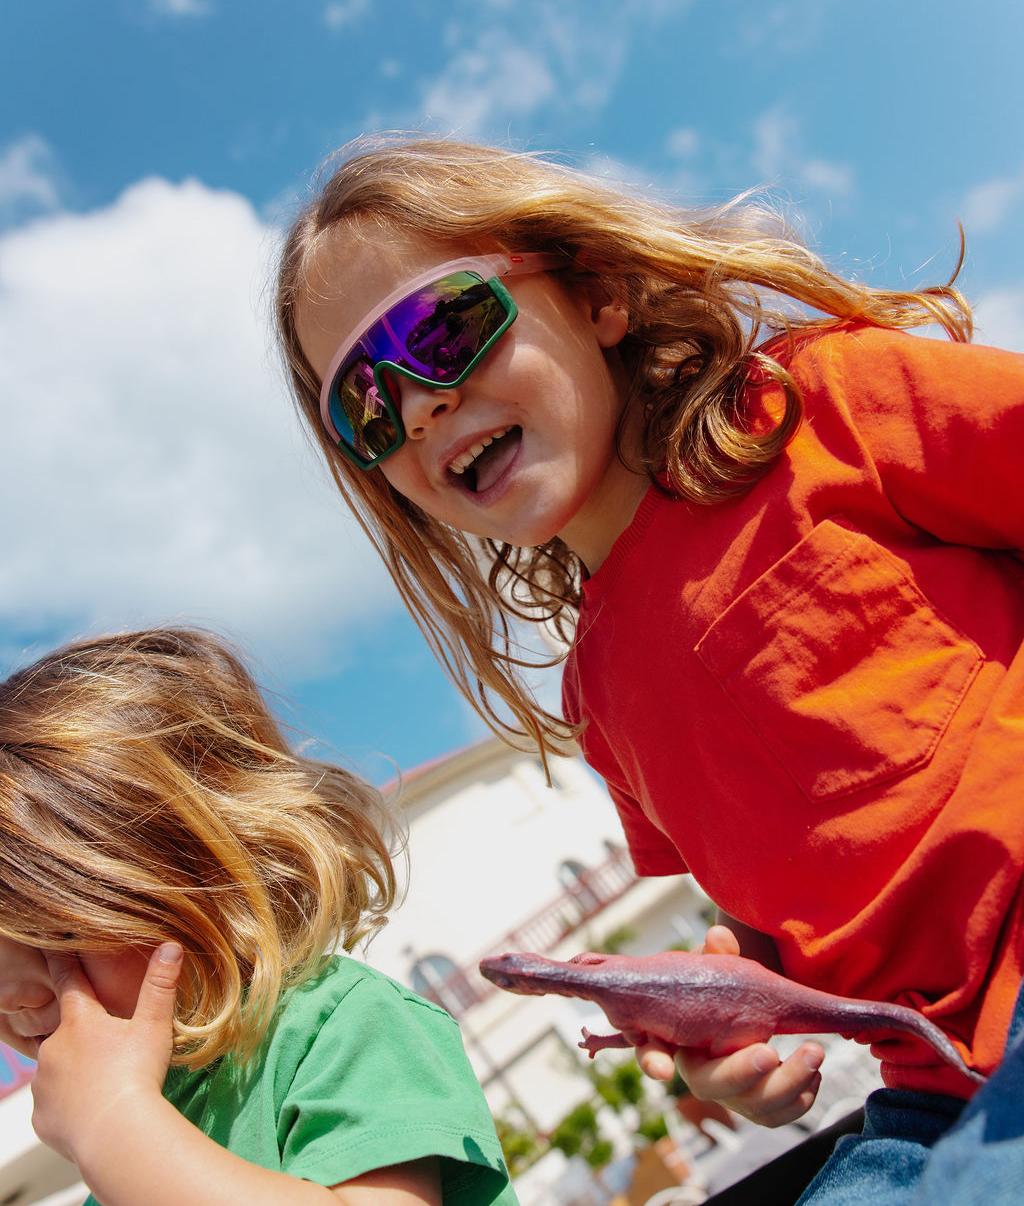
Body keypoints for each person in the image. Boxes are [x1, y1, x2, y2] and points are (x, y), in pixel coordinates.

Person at [272, 135, 1024, 1202]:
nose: (421, 404)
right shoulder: (600, 705)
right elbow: (772, 939)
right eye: (367, 407)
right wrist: (738, 1041)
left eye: (439, 330)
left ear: (599, 293)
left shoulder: (824, 412)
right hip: (930, 1077)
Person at [0, 627, 516, 1206]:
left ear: (206, 870)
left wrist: (114, 1123)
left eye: (58, 935)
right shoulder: (122, 1162)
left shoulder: (338, 1028)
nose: (13, 999)